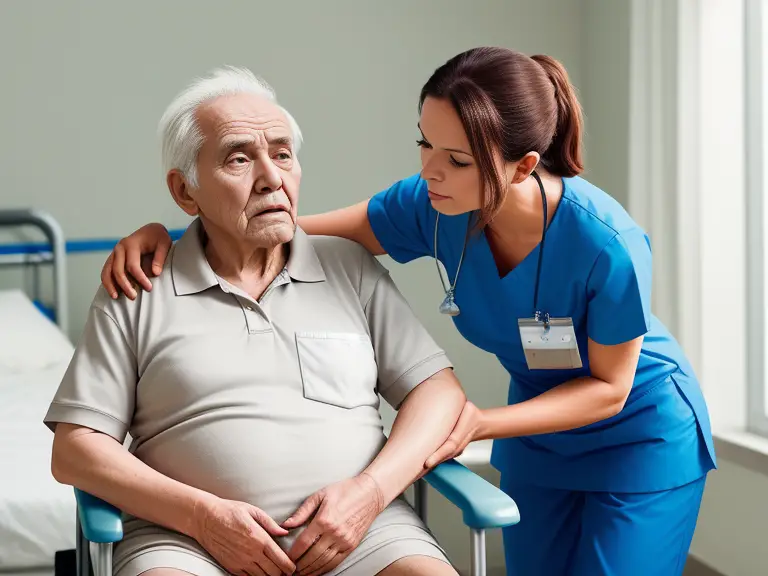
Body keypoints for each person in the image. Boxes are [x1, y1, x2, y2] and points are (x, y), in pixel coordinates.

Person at [101, 48, 717, 576]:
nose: (429, 171)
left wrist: (480, 423)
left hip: (639, 432)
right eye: (425, 143)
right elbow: (285, 229)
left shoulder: (607, 246)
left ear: (524, 166)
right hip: (541, 433)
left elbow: (611, 388)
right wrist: (171, 234)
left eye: (457, 159)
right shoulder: (432, 205)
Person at [45, 66, 468, 576]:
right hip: (184, 542)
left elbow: (438, 393)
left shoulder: (348, 267)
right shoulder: (138, 287)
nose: (272, 176)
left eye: (283, 154)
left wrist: (370, 494)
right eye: (239, 158)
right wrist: (202, 517)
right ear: (185, 193)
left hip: (364, 534)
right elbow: (74, 449)